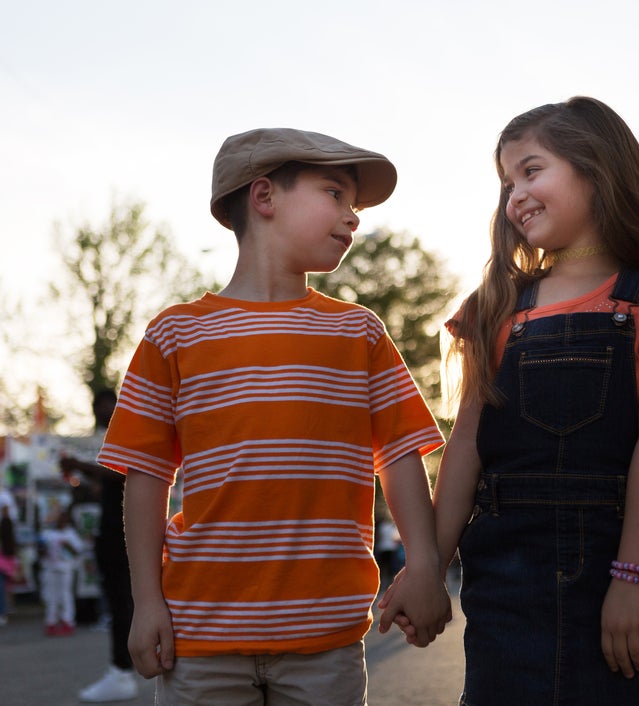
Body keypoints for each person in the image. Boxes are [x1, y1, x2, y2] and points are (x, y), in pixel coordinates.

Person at [96, 127, 451, 705]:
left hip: (326, 634)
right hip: (199, 633)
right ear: (264, 198)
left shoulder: (358, 332)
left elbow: (400, 454)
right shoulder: (174, 334)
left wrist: (427, 567)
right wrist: (147, 604)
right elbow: (146, 476)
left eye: (353, 204)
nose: (353, 217)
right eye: (336, 194)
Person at [417, 97, 639, 704]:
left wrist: (634, 578)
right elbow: (465, 449)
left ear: (596, 168)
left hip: (614, 573)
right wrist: (427, 567)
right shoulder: (494, 308)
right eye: (507, 182)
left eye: (532, 171)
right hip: (504, 582)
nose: (515, 195)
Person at [61, 389, 139, 702]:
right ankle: (122, 668)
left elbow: (124, 473)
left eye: (102, 404)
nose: (98, 411)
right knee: (121, 601)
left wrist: (80, 465)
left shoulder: (129, 432)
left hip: (122, 534)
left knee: (122, 602)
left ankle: (122, 670)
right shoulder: (118, 434)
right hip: (115, 532)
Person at [39, 507, 85, 636]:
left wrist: (68, 546)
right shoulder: (48, 534)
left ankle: (67, 621)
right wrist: (43, 549)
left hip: (65, 569)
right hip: (49, 568)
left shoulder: (70, 533)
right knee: (50, 596)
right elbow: (41, 551)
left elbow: (78, 551)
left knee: (65, 596)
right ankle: (51, 622)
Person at [0, 504, 20, 627]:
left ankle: (3, 612)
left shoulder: (4, 529)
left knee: (3, 589)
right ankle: (6, 610)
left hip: (3, 563)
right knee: (7, 589)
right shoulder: (11, 535)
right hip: (8, 563)